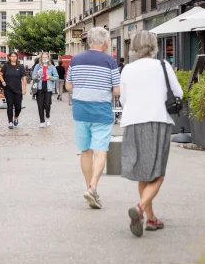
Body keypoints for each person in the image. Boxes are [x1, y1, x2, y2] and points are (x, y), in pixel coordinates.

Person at [119, 30, 183, 237]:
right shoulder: (163, 66)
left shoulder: (127, 69)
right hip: (158, 120)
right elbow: (178, 93)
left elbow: (123, 99)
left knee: (143, 173)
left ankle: (151, 219)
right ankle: (139, 208)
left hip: (133, 122)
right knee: (158, 173)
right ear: (154, 45)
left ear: (134, 46)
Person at [66, 27, 120, 210]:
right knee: (100, 150)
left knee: (85, 150)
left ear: (89, 42)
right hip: (101, 111)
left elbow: (68, 86)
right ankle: (93, 188)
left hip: (80, 111)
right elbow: (117, 91)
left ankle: (88, 187)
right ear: (105, 43)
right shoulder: (110, 61)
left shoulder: (76, 59)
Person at [0, 51, 26, 129]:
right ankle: (10, 122)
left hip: (18, 89)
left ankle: (16, 116)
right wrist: (3, 81)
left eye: (15, 56)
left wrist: (24, 89)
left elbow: (24, 78)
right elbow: (0, 74)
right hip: (8, 89)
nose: (14, 58)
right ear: (9, 57)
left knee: (18, 107)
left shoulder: (20, 67)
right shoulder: (6, 66)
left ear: (17, 57)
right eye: (12, 56)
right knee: (10, 105)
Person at [33, 53, 58, 127]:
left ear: (48, 58)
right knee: (40, 105)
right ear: (41, 58)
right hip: (39, 87)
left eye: (46, 57)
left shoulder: (52, 67)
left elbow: (56, 77)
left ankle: (47, 116)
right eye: (43, 57)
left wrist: (50, 77)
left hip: (48, 87)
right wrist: (37, 75)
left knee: (47, 104)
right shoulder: (37, 66)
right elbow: (33, 77)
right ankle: (42, 121)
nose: (44, 58)